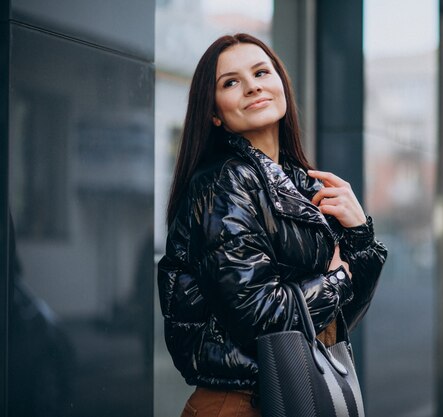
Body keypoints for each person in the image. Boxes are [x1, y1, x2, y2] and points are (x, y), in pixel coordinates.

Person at [157, 33, 387, 417]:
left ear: (281, 84)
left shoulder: (300, 185)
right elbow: (257, 315)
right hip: (239, 404)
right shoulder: (223, 183)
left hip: (295, 391)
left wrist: (360, 235)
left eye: (261, 72)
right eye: (231, 82)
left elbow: (339, 319)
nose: (252, 86)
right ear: (215, 113)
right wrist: (337, 280)